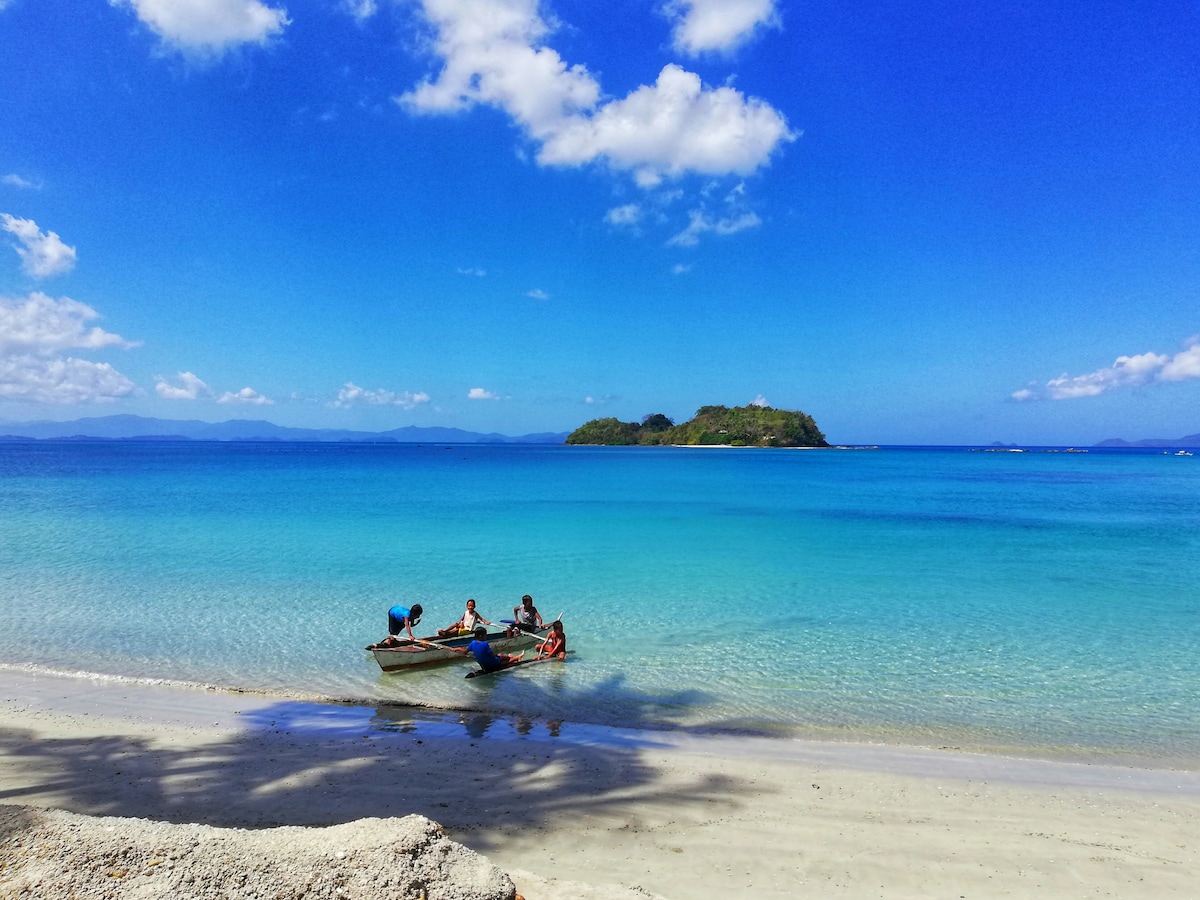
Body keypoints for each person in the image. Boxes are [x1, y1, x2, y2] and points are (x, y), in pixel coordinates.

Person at [449, 626, 524, 672]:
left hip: (483, 665)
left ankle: (511, 657)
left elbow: (465, 651)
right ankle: (515, 658)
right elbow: (491, 655)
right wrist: (497, 657)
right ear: (481, 636)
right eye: (485, 635)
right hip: (491, 665)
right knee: (500, 656)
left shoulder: (473, 643)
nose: (486, 637)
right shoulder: (485, 644)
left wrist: (457, 648)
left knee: (500, 656)